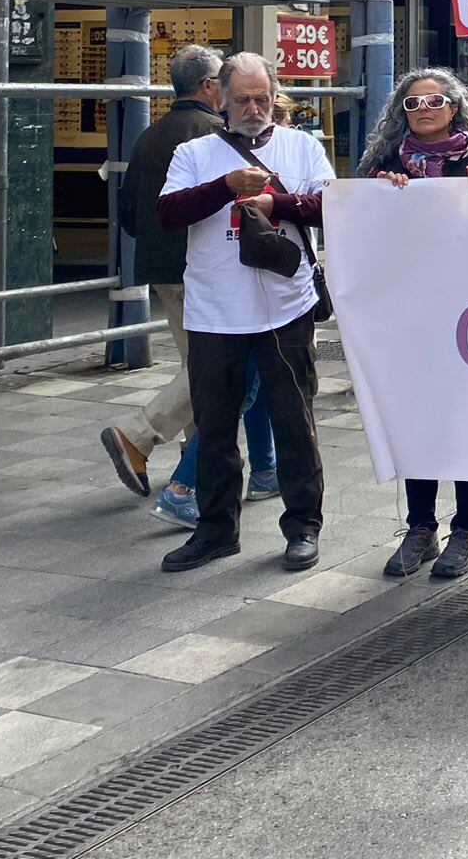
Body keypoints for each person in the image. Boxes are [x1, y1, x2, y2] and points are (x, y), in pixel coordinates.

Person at [155, 53, 333, 574]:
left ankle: (303, 526)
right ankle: (215, 530)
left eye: (262, 99)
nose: (254, 109)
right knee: (213, 427)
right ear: (220, 98)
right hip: (214, 310)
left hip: (285, 307)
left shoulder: (303, 146)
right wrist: (225, 188)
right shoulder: (194, 152)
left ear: (275, 96)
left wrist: (278, 202)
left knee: (294, 423)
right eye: (242, 100)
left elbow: (330, 207)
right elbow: (167, 215)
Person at [100, 46, 283, 517]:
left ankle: (251, 467)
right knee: (219, 373)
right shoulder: (218, 140)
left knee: (212, 367)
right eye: (232, 92)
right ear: (210, 88)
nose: (245, 106)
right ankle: (143, 438)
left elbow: (129, 213)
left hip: (162, 270)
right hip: (208, 272)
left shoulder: (148, 134)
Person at [359, 69, 468, 580]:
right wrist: (379, 196)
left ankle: (466, 529)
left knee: (464, 420)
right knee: (415, 417)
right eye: (413, 103)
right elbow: (364, 233)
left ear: (455, 106)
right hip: (410, 315)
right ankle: (421, 527)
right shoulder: (381, 166)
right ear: (402, 112)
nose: (423, 109)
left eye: (435, 100)